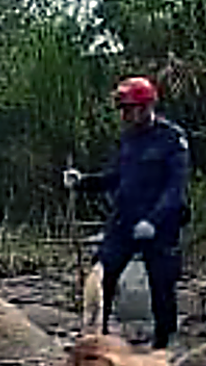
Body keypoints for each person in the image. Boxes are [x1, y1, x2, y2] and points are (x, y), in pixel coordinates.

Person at [63, 76, 189, 349]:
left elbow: (175, 188)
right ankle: (98, 335)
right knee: (102, 274)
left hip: (161, 223)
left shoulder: (171, 138)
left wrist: (153, 221)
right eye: (122, 109)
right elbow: (115, 177)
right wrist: (83, 181)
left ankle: (163, 343)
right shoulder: (128, 139)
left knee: (162, 284)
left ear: (146, 107)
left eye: (128, 108)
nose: (124, 115)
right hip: (124, 220)